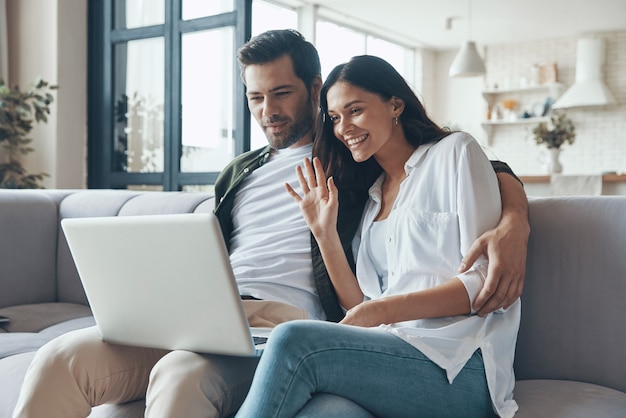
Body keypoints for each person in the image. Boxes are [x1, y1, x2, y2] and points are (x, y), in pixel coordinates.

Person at [13, 30, 526, 418]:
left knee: (179, 374)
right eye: (256, 98)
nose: (268, 111)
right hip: (205, 310)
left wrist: (514, 222)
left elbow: (467, 163)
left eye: (281, 94)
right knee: (62, 357)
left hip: (277, 323)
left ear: (313, 88)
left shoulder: (350, 159)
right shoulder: (241, 171)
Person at [236, 55, 521, 417]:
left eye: (355, 110)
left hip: (461, 365)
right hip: (390, 357)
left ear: (395, 104)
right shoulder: (373, 198)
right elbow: (360, 304)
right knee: (326, 412)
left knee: (293, 338)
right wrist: (324, 233)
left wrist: (382, 310)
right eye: (335, 118)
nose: (343, 128)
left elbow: (486, 283)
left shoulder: (455, 153)